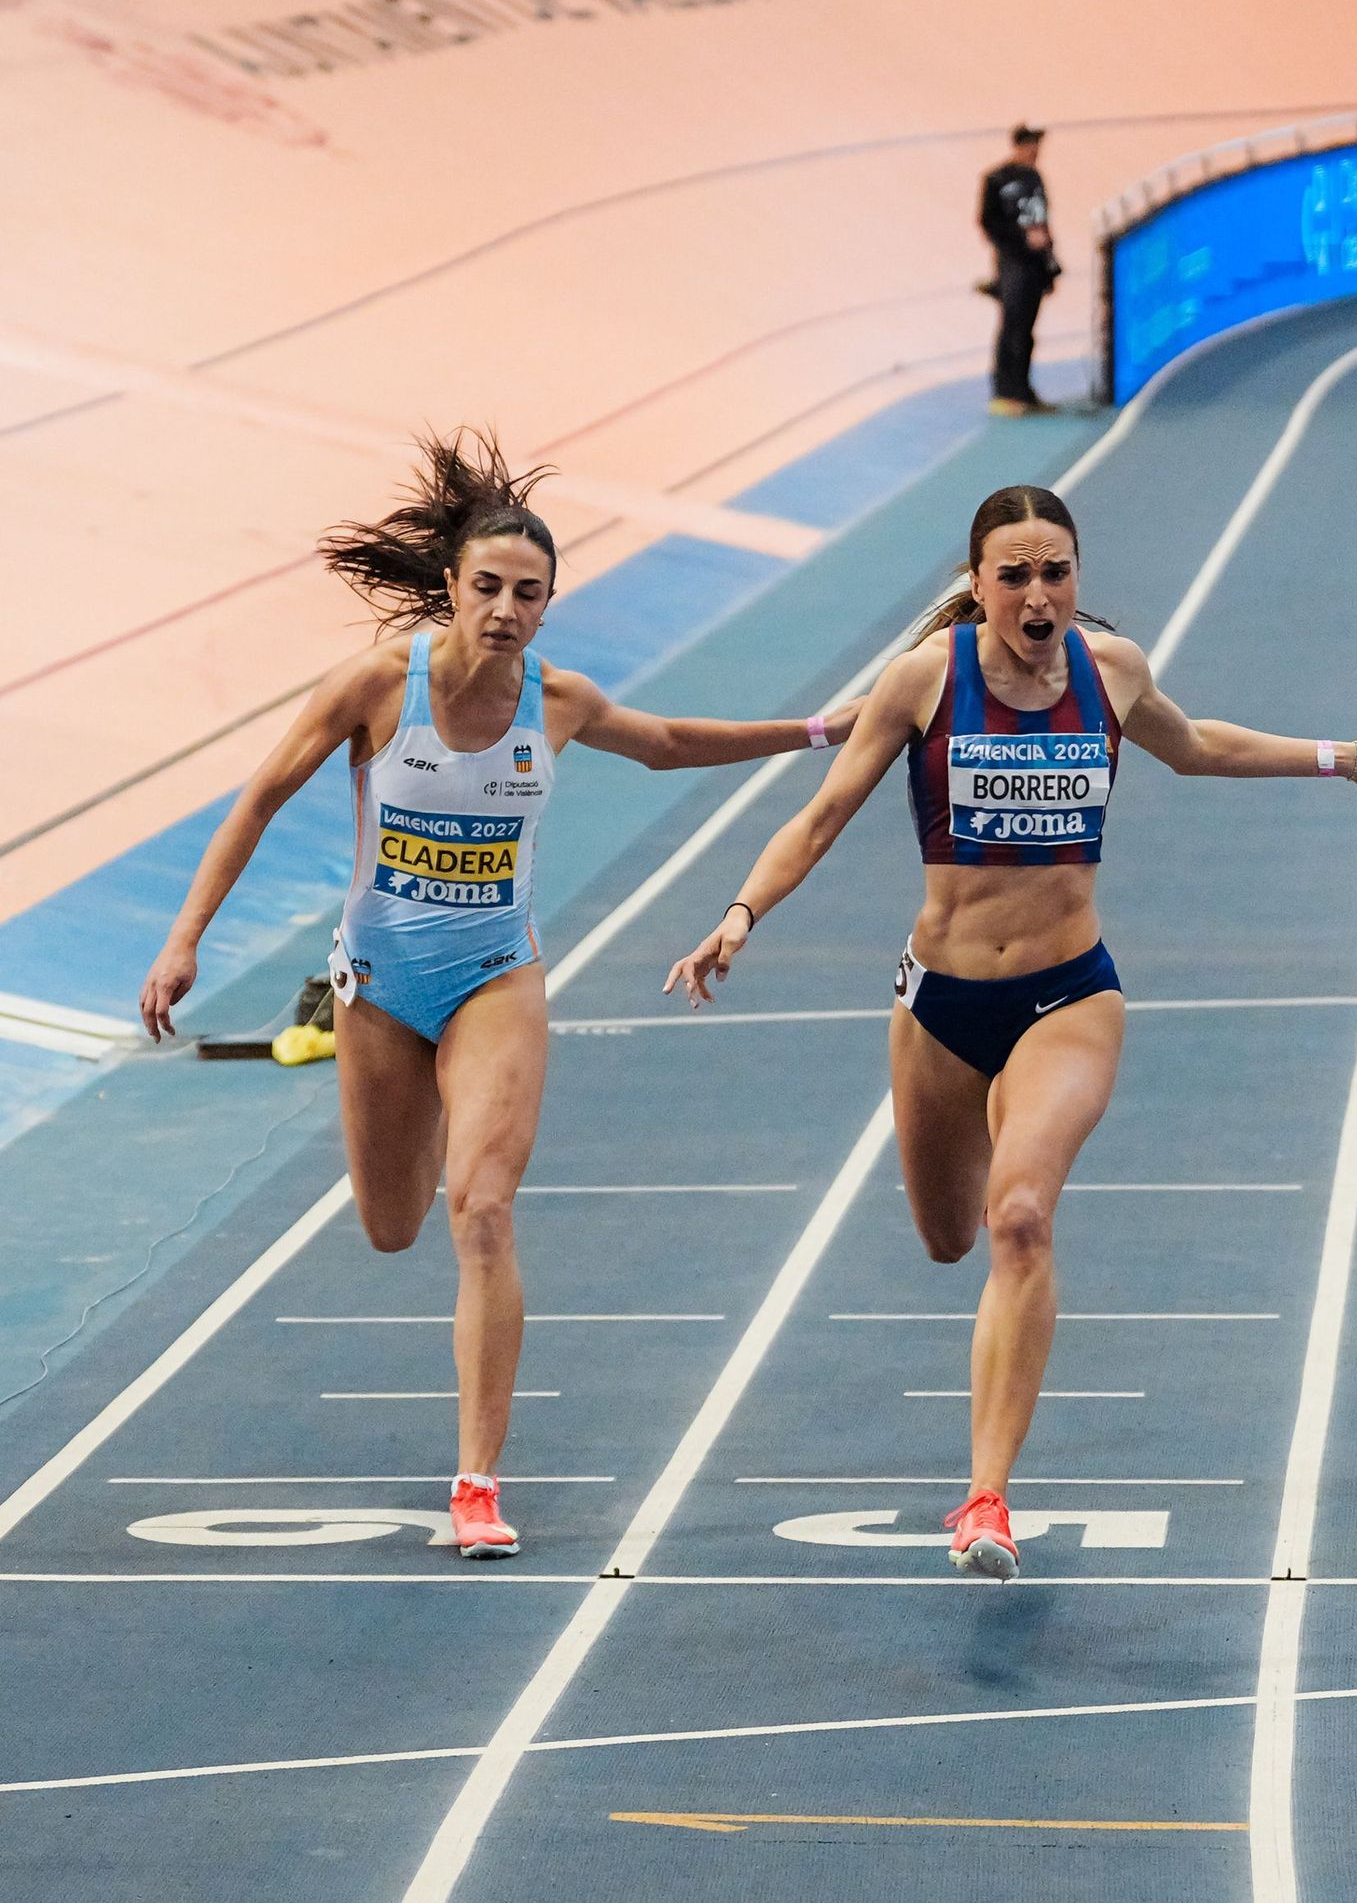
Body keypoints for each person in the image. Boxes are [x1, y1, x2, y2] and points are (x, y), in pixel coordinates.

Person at [664, 484, 1357, 1580]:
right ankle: (981, 1442)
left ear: (1077, 578)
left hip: (1070, 995)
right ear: (977, 584)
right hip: (941, 1004)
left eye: (1053, 571)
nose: (1035, 593)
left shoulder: (1111, 672)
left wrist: (1336, 756)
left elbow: (1196, 745)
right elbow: (819, 814)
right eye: (1012, 573)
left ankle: (984, 1501)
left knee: (1018, 1218)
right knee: (945, 1237)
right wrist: (739, 915)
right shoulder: (924, 680)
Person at [139, 434, 855, 1560]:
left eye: (531, 594)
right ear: (451, 590)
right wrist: (184, 943)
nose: (508, 610)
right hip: (379, 984)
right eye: (488, 589)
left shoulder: (554, 701)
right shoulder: (379, 689)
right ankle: (395, 1088)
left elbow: (667, 744)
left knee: (481, 1208)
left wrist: (819, 728)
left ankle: (477, 1482)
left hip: (495, 978)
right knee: (389, 1226)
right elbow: (256, 803)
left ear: (550, 604)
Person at [978, 125, 1062, 416]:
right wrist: (1021, 238)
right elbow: (988, 222)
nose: (1036, 151)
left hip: (1035, 265)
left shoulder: (1034, 177)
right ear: (1018, 146)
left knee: (1026, 331)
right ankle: (1004, 392)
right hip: (1013, 264)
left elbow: (1043, 220)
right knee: (1012, 327)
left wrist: (1050, 264)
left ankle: (1024, 392)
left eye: (1038, 146)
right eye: (1031, 146)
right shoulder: (996, 179)